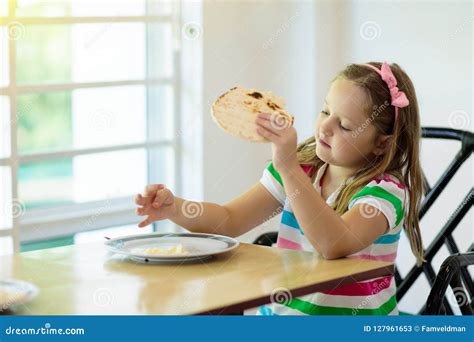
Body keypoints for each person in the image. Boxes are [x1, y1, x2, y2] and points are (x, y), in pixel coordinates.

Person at [134, 61, 424, 315]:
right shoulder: (303, 170)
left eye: (345, 126)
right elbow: (229, 219)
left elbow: (334, 244)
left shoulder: (383, 193)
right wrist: (176, 208)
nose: (325, 128)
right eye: (325, 111)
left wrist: (288, 167)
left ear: (381, 143)